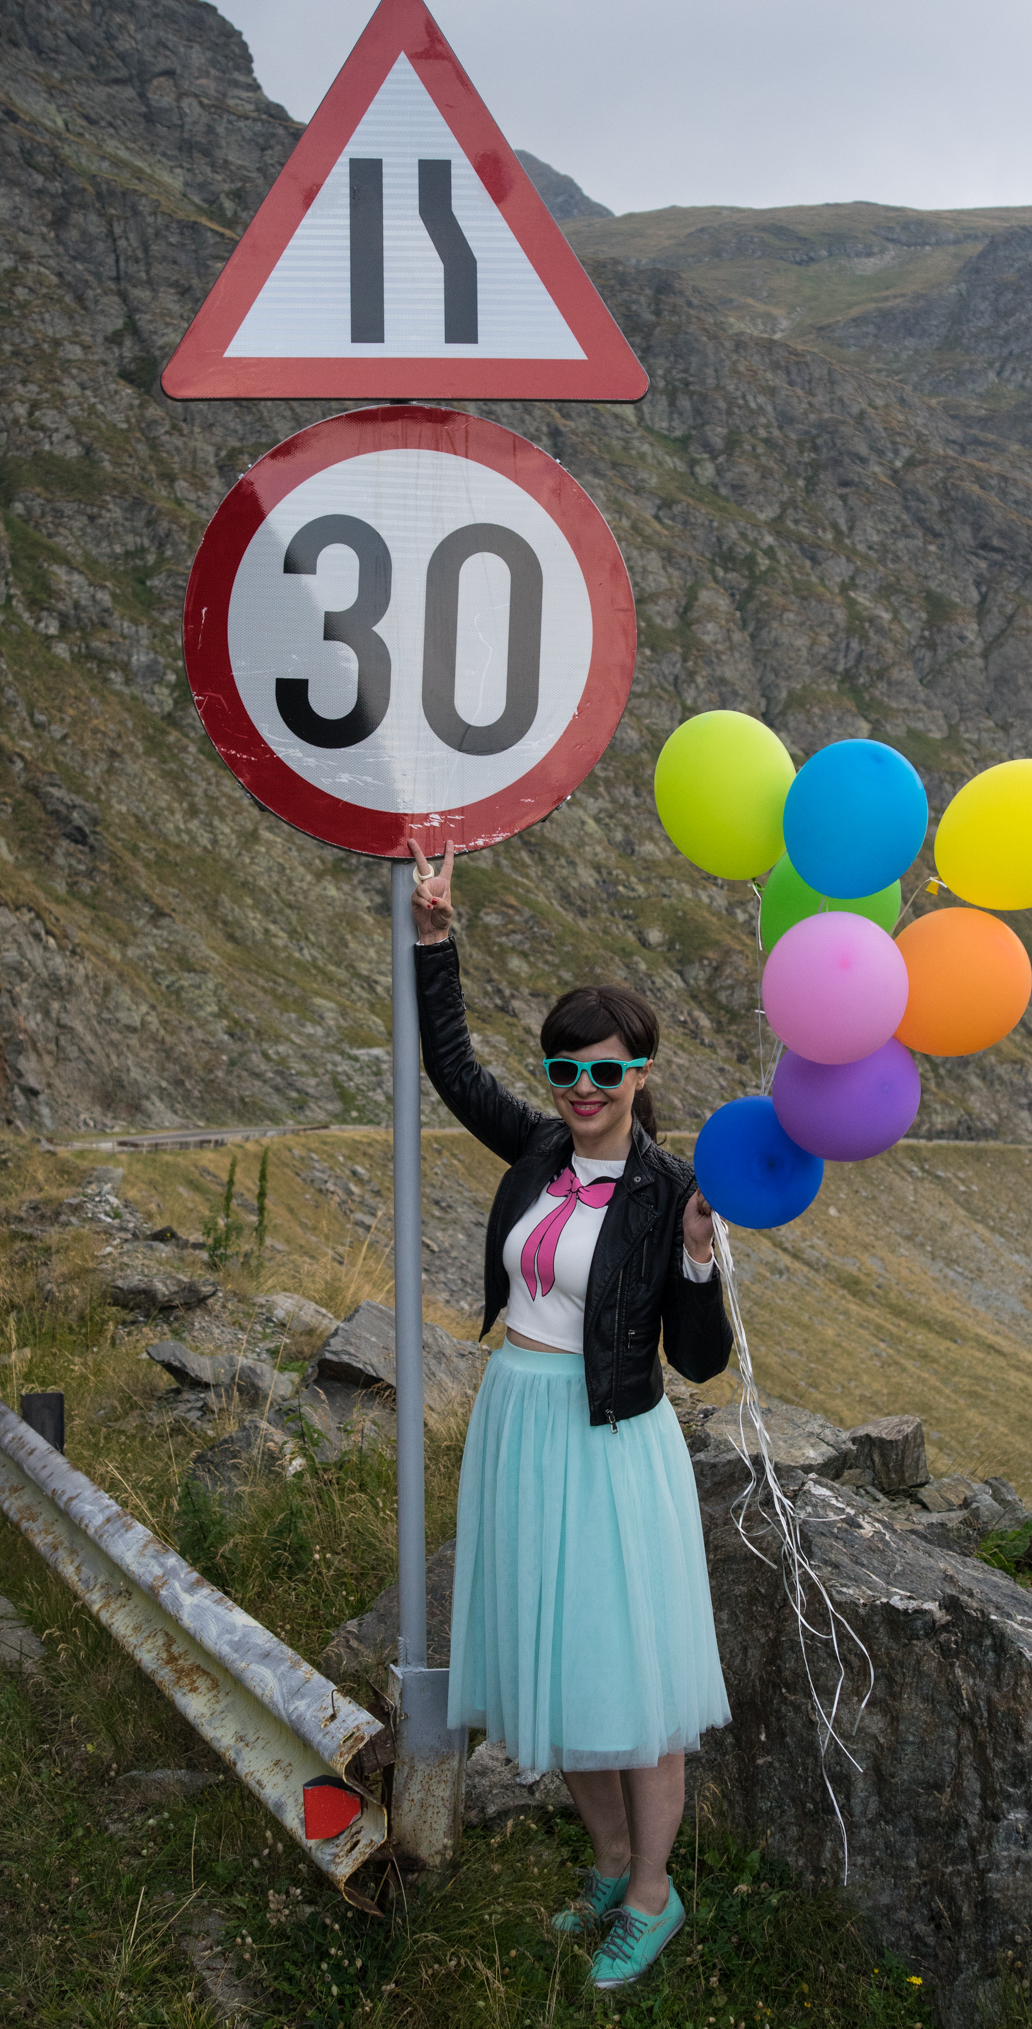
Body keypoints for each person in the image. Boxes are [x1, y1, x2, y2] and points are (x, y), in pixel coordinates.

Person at [409, 838, 733, 1991]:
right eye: (565, 1068)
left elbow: (700, 1363)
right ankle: (605, 1864)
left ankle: (655, 1892)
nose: (581, 1091)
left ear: (643, 1072)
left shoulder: (670, 1190)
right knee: (555, 1658)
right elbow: (451, 1068)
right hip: (520, 1422)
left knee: (631, 1678)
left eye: (604, 1072)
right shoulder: (541, 1146)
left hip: (608, 1443)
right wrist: (435, 936)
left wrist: (698, 1261)